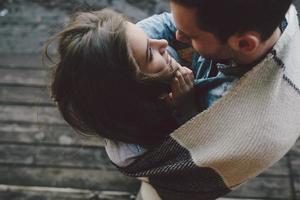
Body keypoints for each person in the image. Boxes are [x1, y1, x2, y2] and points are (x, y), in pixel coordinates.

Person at [121, 0, 300, 199]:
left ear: (244, 44)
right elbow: (171, 24)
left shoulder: (238, 110)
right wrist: (123, 47)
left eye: (190, 35)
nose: (177, 36)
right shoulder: (257, 19)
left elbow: (197, 150)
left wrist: (186, 105)